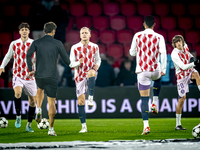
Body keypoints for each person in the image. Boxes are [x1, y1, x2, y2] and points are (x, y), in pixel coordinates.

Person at [26, 22, 70, 136]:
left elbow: (28, 55)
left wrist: (31, 69)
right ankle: (51, 129)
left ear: (44, 31)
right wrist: (75, 63)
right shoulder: (58, 43)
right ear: (53, 31)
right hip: (51, 76)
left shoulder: (36, 42)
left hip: (39, 75)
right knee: (51, 102)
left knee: (40, 89)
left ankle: (39, 108)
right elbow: (67, 60)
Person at [129, 16, 167, 135]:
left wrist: (139, 51)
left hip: (142, 71)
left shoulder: (137, 35)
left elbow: (132, 52)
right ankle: (155, 101)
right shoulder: (159, 37)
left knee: (144, 99)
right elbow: (164, 53)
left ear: (144, 24)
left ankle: (146, 127)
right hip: (155, 69)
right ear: (154, 24)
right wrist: (164, 68)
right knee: (158, 79)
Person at [0, 23, 37, 132]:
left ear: (29, 31)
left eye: (26, 29)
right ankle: (18, 116)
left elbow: (38, 58)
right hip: (18, 74)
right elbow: (8, 56)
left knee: (32, 101)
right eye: (22, 29)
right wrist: (2, 66)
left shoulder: (33, 43)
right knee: (17, 93)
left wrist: (35, 70)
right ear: (19, 32)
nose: (24, 31)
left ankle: (29, 124)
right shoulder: (14, 44)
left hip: (30, 75)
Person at [69, 27, 101, 133]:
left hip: (90, 72)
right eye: (82, 33)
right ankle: (83, 126)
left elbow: (98, 59)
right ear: (79, 35)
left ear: (90, 35)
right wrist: (78, 62)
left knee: (91, 72)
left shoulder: (95, 47)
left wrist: (97, 65)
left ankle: (90, 98)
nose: (84, 34)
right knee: (81, 101)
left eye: (86, 33)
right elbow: (71, 63)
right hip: (79, 75)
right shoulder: (75, 47)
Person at [171, 35, 200, 130]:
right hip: (181, 76)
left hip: (189, 71)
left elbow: (189, 54)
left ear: (183, 41)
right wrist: (194, 63)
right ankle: (177, 124)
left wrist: (192, 58)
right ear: (174, 44)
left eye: (180, 41)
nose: (179, 43)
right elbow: (183, 67)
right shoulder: (174, 54)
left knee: (196, 74)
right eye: (177, 42)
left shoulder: (186, 46)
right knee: (182, 100)